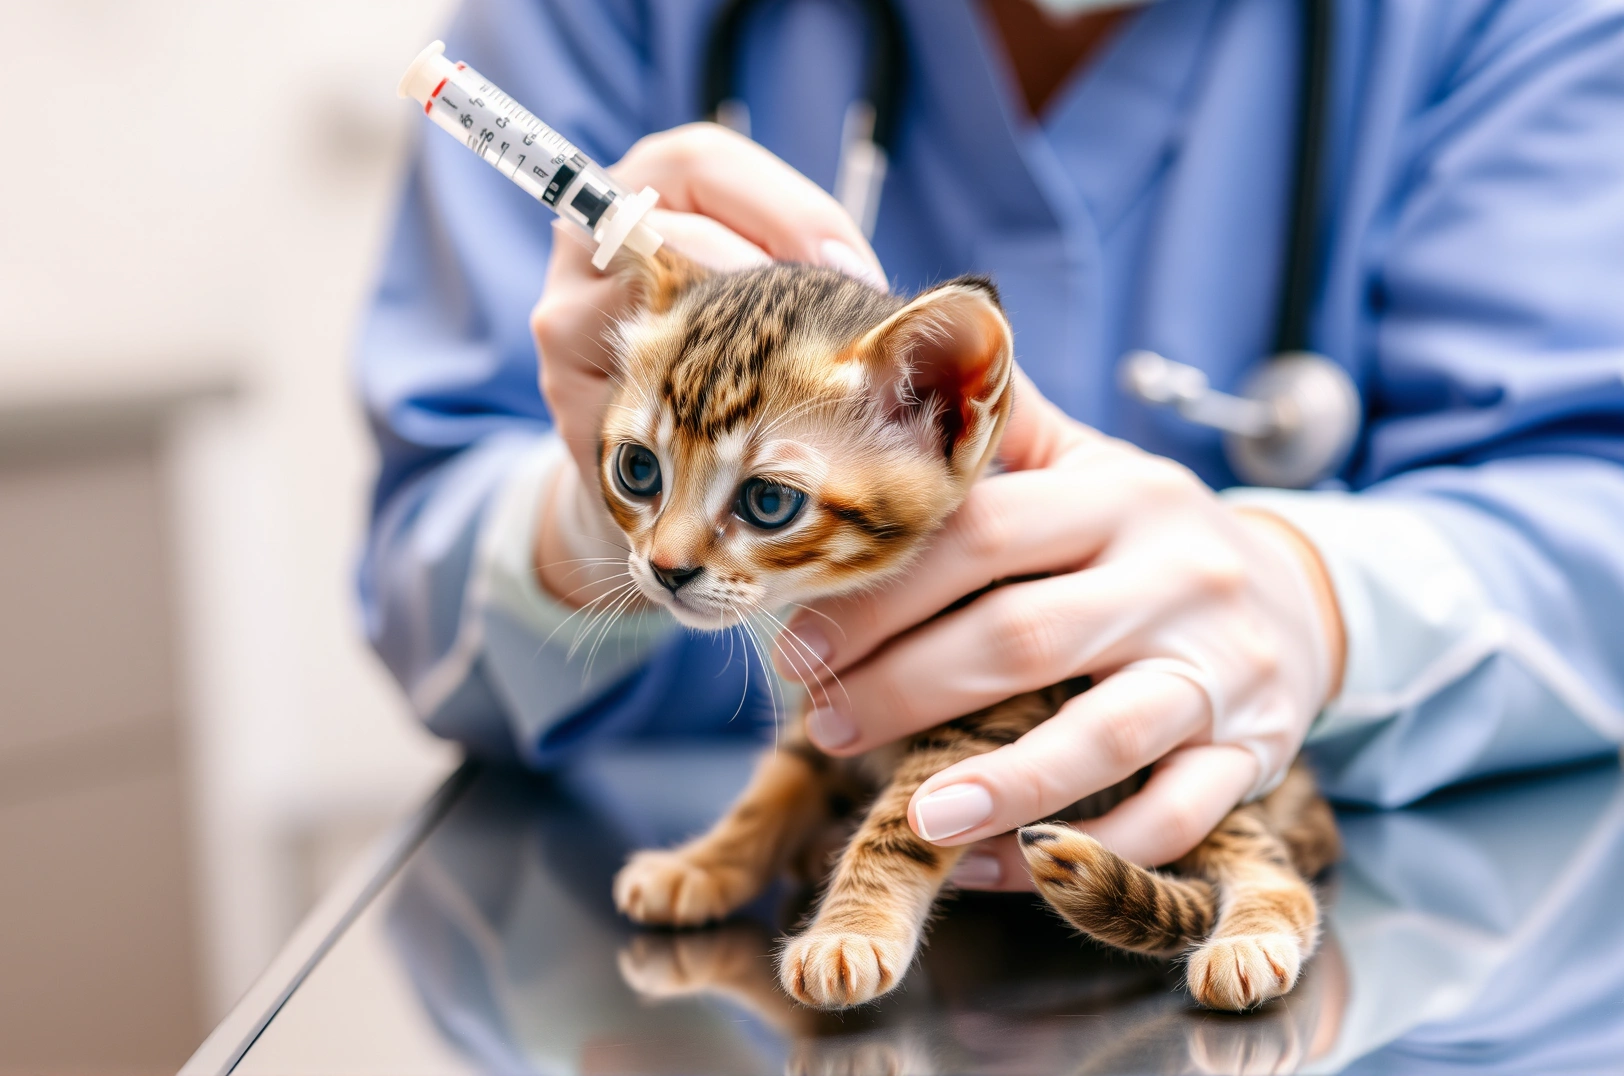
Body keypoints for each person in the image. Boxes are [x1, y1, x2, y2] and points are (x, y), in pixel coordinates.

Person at [358, 0, 1624, 886]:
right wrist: (611, 497)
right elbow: (419, 572)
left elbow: (1593, 522)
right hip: (688, 953)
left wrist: (1319, 599)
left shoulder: (1504, 22)